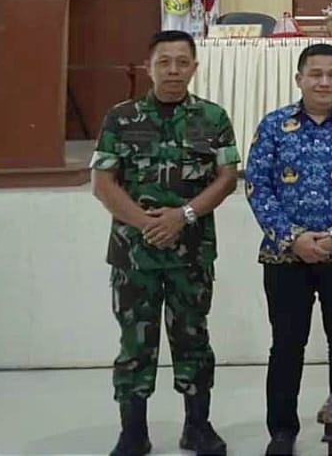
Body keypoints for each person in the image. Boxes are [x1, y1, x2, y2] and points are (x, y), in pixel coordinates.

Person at [90, 30, 240, 456]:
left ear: (194, 67)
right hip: (134, 256)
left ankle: (198, 426)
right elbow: (103, 183)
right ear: (149, 67)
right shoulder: (121, 118)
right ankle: (133, 432)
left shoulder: (213, 117)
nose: (173, 70)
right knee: (135, 344)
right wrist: (147, 224)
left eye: (182, 62)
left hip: (190, 254)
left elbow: (227, 178)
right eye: (164, 62)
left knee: (193, 340)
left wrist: (182, 216)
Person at [244, 44, 332, 456]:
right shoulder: (274, 125)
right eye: (316, 74)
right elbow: (257, 186)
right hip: (284, 256)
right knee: (287, 344)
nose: (325, 82)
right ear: (299, 78)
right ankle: (281, 430)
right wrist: (292, 237)